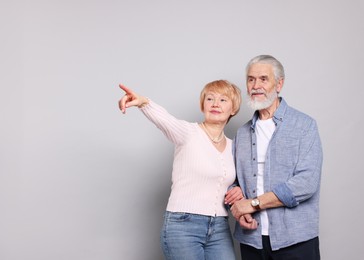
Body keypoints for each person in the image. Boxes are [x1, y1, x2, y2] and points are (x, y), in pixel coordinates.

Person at [118, 80, 243, 260]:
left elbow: (233, 182)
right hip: (183, 226)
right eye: (210, 99)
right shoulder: (188, 133)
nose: (215, 104)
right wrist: (143, 102)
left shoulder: (234, 147)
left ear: (233, 109)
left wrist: (237, 189)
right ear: (203, 106)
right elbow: (165, 120)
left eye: (223, 100)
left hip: (220, 228)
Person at [230, 55, 323, 260]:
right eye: (251, 79)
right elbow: (233, 180)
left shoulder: (305, 126)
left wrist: (253, 204)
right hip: (252, 239)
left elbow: (306, 183)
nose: (256, 85)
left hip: (295, 239)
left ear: (279, 84)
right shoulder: (242, 134)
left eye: (263, 79)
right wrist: (238, 204)